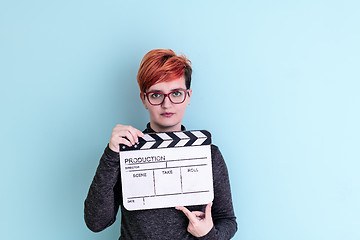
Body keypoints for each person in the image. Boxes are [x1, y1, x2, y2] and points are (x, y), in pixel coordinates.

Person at [84, 49, 237, 239]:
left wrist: (208, 235)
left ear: (188, 96)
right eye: (156, 95)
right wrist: (111, 155)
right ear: (144, 99)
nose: (167, 104)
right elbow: (96, 222)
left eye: (176, 93)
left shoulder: (208, 154)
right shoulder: (124, 152)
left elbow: (228, 220)